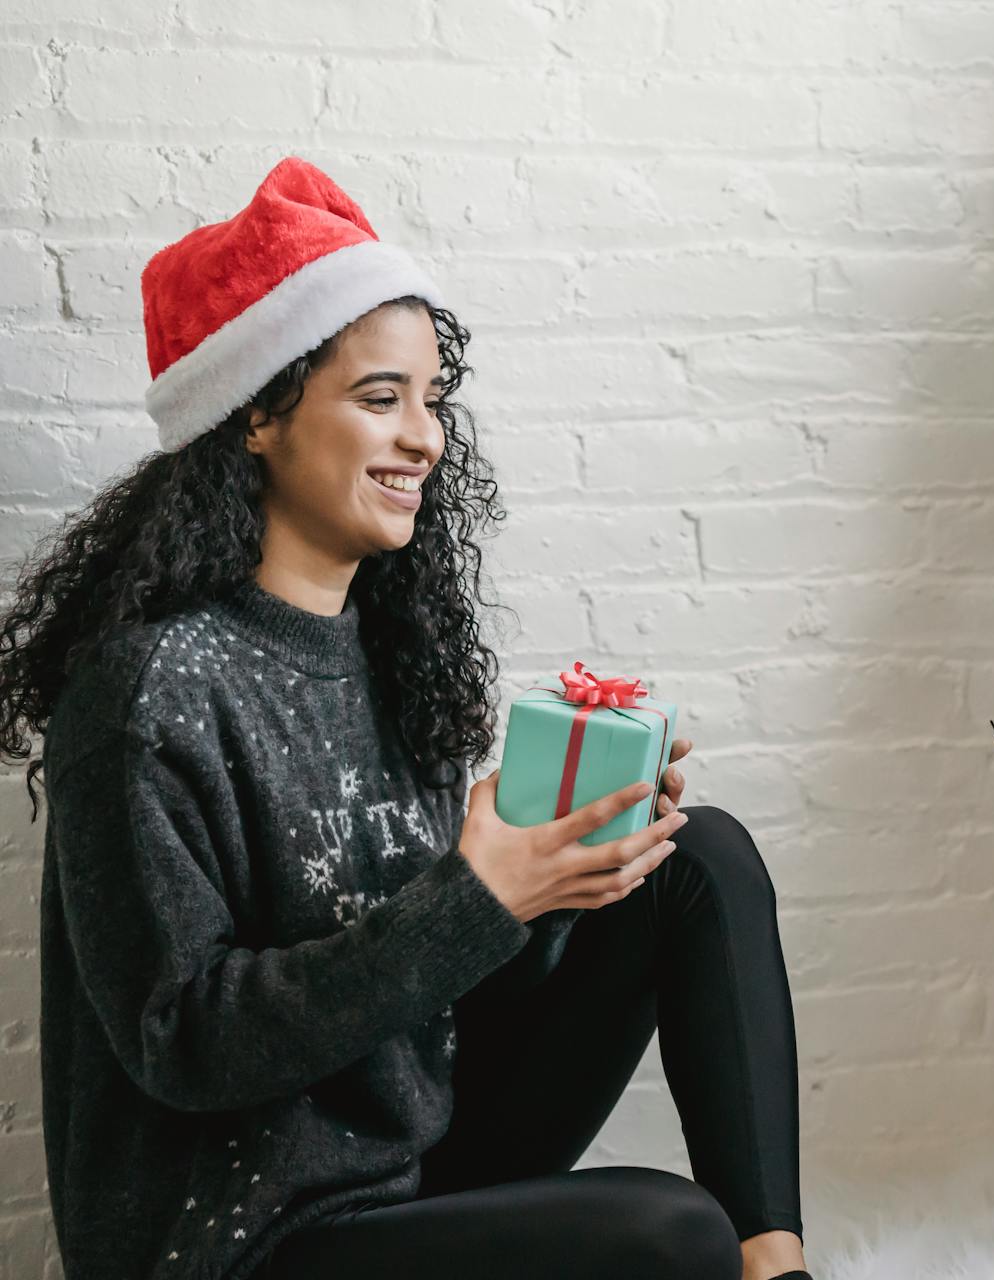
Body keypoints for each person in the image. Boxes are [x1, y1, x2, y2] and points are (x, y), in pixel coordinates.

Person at [0, 157, 811, 1280]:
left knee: (697, 857)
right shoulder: (148, 693)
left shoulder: (394, 652)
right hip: (242, 1237)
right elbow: (182, 1038)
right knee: (672, 1234)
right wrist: (476, 897)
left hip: (406, 1155)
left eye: (432, 398)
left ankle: (786, 1271)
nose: (426, 437)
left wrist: (559, 875)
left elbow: (443, 978)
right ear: (256, 415)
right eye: (381, 397)